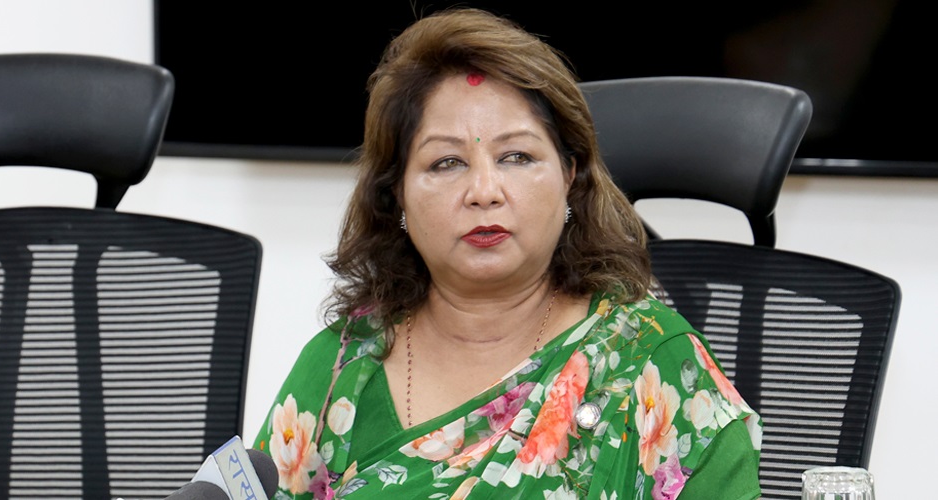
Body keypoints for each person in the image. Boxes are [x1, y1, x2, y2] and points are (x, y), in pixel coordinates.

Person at [252, 7, 762, 499]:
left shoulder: (655, 364)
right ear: (397, 195)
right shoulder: (343, 365)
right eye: (447, 162)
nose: (484, 191)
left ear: (570, 176)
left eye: (516, 156)